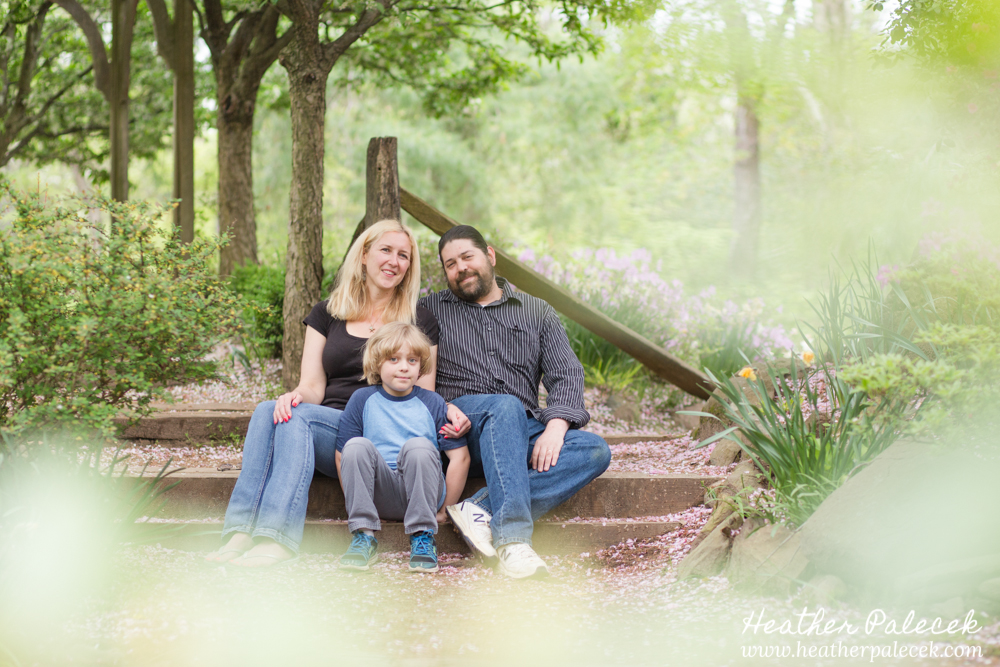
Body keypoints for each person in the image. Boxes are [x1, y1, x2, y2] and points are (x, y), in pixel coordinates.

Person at [205, 219, 465, 568]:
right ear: (363, 255)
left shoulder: (418, 319)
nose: (394, 261)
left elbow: (421, 393)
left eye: (403, 255)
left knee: (296, 418)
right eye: (386, 250)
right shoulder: (328, 312)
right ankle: (240, 529)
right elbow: (313, 386)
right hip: (336, 427)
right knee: (270, 410)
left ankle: (275, 537)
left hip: (386, 432)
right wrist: (294, 396)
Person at [419, 225, 612, 579]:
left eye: (467, 257)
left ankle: (479, 509)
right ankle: (513, 542)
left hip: (522, 429)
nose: (460, 268)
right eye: (450, 264)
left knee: (595, 450)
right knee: (503, 404)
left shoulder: (537, 311)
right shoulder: (430, 310)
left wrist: (555, 428)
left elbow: (566, 372)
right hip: (463, 429)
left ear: (489, 255)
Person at [335, 322, 470, 573]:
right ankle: (364, 536)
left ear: (421, 367)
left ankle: (422, 536)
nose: (404, 367)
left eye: (412, 360)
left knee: (418, 446)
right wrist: (364, 504)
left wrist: (445, 510)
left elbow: (460, 458)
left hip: (423, 494)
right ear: (378, 363)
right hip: (381, 493)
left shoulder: (433, 402)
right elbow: (343, 458)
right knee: (355, 446)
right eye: (394, 359)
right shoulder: (362, 400)